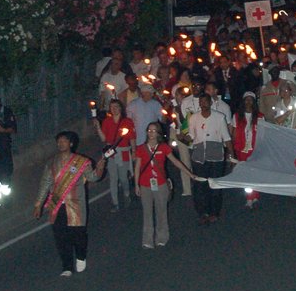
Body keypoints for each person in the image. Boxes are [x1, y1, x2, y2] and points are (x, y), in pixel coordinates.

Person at [33, 132, 104, 276]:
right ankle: (67, 266)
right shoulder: (52, 163)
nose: (61, 144)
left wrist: (100, 168)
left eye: (64, 141)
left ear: (71, 144)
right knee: (60, 236)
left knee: (78, 234)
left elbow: (93, 177)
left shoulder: (81, 162)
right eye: (59, 141)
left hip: (76, 205)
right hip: (57, 204)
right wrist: (38, 204)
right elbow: (45, 183)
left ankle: (80, 256)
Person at [133, 121, 189, 249]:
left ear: (158, 133)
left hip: (161, 183)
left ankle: (162, 237)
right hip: (145, 184)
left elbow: (175, 161)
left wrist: (189, 173)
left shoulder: (163, 147)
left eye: (154, 130)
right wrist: (136, 185)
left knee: (161, 211)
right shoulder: (141, 148)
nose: (151, 133)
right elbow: (137, 167)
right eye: (149, 130)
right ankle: (147, 239)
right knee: (147, 213)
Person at [186, 93, 234, 224]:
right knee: (200, 185)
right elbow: (191, 135)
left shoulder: (219, 117)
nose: (203, 104)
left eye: (206, 101)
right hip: (199, 155)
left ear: (210, 103)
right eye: (201, 102)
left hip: (216, 155)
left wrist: (232, 156)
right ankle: (202, 212)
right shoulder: (194, 118)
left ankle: (214, 212)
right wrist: (183, 137)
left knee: (214, 185)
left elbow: (227, 137)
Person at [94, 98, 136, 211]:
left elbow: (132, 138)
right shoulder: (107, 121)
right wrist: (98, 127)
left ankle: (127, 194)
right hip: (111, 153)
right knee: (113, 178)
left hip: (123, 152)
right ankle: (115, 203)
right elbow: (104, 138)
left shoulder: (127, 121)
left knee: (123, 178)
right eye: (112, 107)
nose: (114, 109)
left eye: (116, 107)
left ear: (121, 108)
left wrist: (134, 152)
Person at [232, 91, 262, 208]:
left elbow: (262, 134)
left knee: (255, 173)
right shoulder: (236, 116)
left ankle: (255, 194)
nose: (248, 102)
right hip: (242, 149)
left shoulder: (260, 116)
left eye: (251, 100)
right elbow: (234, 132)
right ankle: (249, 197)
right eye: (246, 99)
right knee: (246, 174)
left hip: (255, 149)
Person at [127, 80, 164, 146]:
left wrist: (165, 111)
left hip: (152, 137)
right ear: (143, 93)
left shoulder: (156, 104)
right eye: (149, 93)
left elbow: (162, 120)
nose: (152, 95)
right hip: (137, 137)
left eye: (152, 93)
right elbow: (128, 121)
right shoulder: (133, 104)